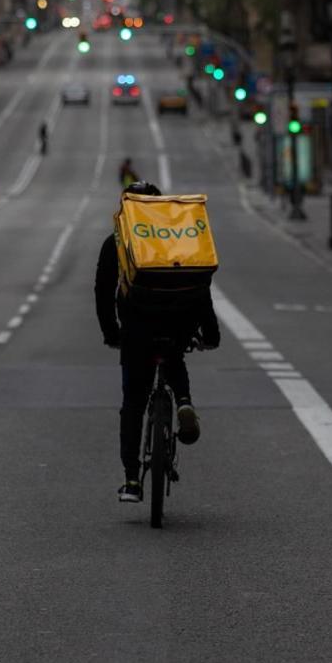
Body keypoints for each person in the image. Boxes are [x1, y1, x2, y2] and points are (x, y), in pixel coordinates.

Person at [94, 181, 221, 503]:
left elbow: (103, 292)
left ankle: (133, 480)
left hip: (136, 332)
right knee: (174, 355)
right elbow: (201, 285)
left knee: (133, 406)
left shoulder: (117, 242)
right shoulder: (177, 239)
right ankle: (183, 401)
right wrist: (210, 333)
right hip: (179, 324)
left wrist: (112, 332)